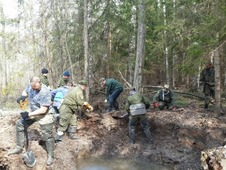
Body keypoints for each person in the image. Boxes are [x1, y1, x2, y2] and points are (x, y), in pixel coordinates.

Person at [8, 76, 55, 166]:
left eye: (36, 88)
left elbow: (43, 110)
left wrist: (28, 114)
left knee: (47, 135)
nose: (35, 90)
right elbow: (25, 91)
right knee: (20, 124)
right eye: (33, 88)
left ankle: (51, 156)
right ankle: (19, 147)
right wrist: (23, 96)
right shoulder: (30, 86)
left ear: (40, 83)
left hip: (45, 114)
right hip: (34, 111)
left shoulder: (45, 92)